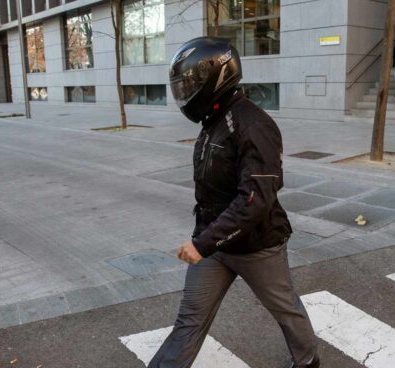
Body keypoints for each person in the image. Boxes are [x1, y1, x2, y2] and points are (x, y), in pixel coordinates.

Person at [149, 37, 320, 368]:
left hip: (258, 246)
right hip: (215, 245)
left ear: (214, 78)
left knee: (284, 308)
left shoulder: (254, 124)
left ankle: (308, 359)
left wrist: (202, 242)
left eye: (190, 84)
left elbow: (255, 200)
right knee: (189, 321)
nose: (185, 93)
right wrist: (207, 240)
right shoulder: (214, 119)